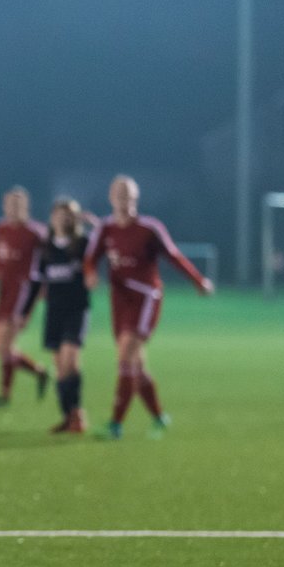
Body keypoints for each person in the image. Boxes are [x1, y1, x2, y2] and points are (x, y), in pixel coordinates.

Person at [83, 175, 213, 439]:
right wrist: (91, 274)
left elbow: (174, 255)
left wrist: (199, 281)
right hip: (119, 301)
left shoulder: (150, 228)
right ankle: (159, 417)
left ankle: (115, 424)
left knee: (125, 357)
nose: (124, 198)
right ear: (111, 197)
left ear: (135, 198)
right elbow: (90, 259)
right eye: (119, 192)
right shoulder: (105, 229)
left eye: (128, 193)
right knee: (137, 366)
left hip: (146, 298)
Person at [22, 198, 93, 433]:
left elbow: (106, 247)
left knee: (70, 361)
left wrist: (97, 224)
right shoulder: (46, 248)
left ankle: (78, 414)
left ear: (75, 218)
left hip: (77, 310)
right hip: (54, 313)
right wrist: (24, 313)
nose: (64, 218)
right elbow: (36, 283)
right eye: (60, 213)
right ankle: (68, 416)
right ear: (52, 217)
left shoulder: (83, 244)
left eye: (69, 213)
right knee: (61, 369)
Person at [0, 187, 49, 406]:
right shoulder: (1, 227)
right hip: (4, 290)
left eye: (17, 205)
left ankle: (5, 394)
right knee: (0, 347)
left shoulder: (36, 233)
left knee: (5, 346)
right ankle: (39, 371)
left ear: (25, 207)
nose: (12, 209)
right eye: (9, 204)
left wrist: (44, 287)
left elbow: (49, 260)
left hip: (22, 292)